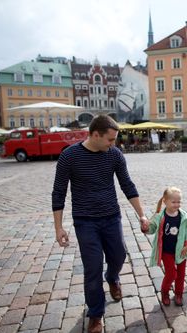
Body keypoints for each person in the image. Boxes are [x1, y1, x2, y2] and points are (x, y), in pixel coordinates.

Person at [52, 114, 149, 333]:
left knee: (119, 255)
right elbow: (59, 192)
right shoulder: (69, 156)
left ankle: (113, 278)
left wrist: (142, 215)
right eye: (110, 139)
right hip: (85, 222)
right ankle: (95, 315)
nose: (114, 144)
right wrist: (58, 227)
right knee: (92, 268)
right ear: (95, 135)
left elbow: (127, 185)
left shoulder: (114, 155)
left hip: (111, 217)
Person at [144, 187, 187, 306]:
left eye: (179, 201)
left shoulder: (183, 216)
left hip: (181, 250)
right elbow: (152, 229)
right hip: (167, 251)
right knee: (171, 274)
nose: (177, 204)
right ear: (165, 201)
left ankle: (179, 294)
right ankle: (165, 292)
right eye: (174, 202)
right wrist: (146, 227)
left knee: (181, 274)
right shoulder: (160, 216)